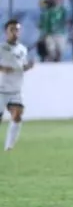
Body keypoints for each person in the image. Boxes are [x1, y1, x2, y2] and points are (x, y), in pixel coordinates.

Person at [0, 20, 33, 152]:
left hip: (15, 90)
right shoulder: (1, 48)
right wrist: (2, 68)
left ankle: (8, 147)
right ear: (6, 32)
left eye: (17, 30)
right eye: (12, 30)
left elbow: (21, 66)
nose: (15, 33)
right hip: (1, 89)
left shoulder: (23, 49)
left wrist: (28, 67)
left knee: (18, 115)